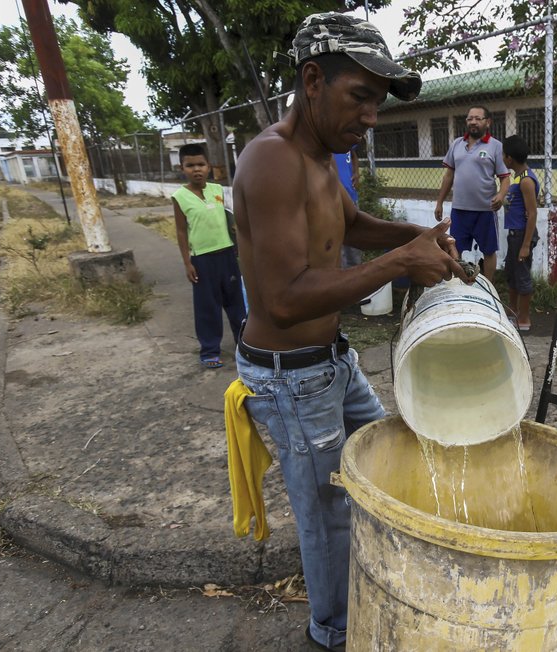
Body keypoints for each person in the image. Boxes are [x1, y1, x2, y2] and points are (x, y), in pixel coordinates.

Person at [230, 12, 470, 652]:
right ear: (312, 80)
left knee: (388, 460)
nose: (371, 117)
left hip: (332, 363)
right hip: (290, 379)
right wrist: (400, 264)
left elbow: (352, 227)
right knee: (330, 515)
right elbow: (281, 300)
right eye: (359, 97)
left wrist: (417, 238)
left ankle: (374, 588)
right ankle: (332, 633)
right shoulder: (272, 161)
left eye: (377, 103)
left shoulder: (321, 159)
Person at [172, 143, 246, 369]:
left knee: (236, 305)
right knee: (207, 307)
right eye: (190, 165)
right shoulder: (179, 197)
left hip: (226, 255)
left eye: (201, 164)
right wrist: (187, 263)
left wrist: (238, 245)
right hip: (202, 260)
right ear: (182, 167)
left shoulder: (217, 191)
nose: (196, 169)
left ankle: (243, 345)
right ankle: (210, 350)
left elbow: (229, 220)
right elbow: (182, 231)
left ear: (209, 167)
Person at [434, 105, 511, 279]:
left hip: (485, 211)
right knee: (455, 248)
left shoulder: (496, 146)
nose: (473, 122)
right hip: (460, 210)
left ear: (488, 122)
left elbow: (505, 177)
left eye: (478, 118)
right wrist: (439, 202)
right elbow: (448, 176)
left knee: (489, 250)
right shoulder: (456, 144)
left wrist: (500, 195)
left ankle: (488, 286)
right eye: (470, 119)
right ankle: (459, 283)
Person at [502, 135, 540, 332]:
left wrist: (525, 246)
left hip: (521, 236)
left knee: (522, 276)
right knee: (512, 274)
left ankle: (524, 319)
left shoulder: (526, 181)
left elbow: (532, 214)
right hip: (515, 234)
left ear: (509, 158)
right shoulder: (518, 178)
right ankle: (513, 313)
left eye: (503, 154)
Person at [335, 148, 362, 268]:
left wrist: (356, 173)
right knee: (337, 241)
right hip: (332, 198)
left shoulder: (345, 139)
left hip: (351, 195)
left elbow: (353, 156)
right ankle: (340, 276)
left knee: (354, 237)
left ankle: (355, 273)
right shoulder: (324, 140)